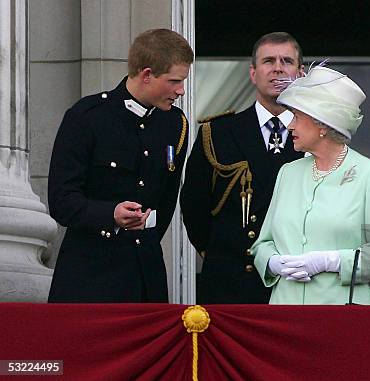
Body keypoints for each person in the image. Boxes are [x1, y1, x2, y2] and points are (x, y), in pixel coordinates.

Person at [47, 29, 193, 302]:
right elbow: (61, 200)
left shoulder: (175, 124)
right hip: (89, 277)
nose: (181, 91)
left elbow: (167, 201)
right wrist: (110, 214)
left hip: (145, 277)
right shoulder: (87, 117)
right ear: (147, 74)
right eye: (174, 81)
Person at [251, 65, 370, 305]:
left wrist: (333, 261)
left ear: (322, 124)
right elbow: (263, 244)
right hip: (285, 315)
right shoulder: (288, 173)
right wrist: (272, 263)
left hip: (341, 318)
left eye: (297, 118)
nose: (290, 126)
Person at [180, 32, 304, 304]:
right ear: (253, 73)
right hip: (233, 283)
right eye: (268, 61)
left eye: (287, 61)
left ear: (301, 73)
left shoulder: (319, 135)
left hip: (297, 285)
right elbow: (194, 209)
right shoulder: (217, 133)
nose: (278, 68)